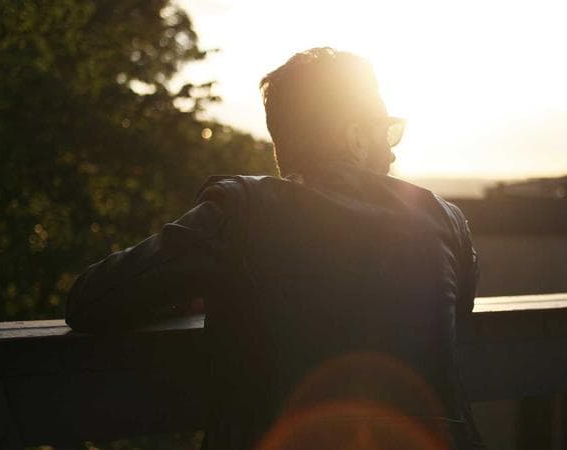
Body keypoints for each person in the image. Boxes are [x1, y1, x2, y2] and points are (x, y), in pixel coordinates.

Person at [66, 47, 485, 450]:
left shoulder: (244, 213)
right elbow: (454, 310)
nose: (392, 151)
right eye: (385, 130)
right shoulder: (443, 219)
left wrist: (190, 294)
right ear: (354, 136)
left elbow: (92, 300)